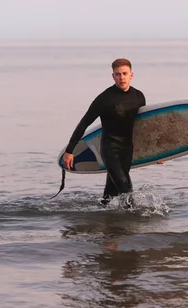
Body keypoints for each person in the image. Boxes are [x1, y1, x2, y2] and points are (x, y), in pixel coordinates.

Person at [62, 58, 146, 206]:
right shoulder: (104, 99)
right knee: (125, 186)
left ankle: (105, 220)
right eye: (118, 74)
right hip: (110, 147)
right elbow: (84, 123)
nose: (121, 77)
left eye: (124, 73)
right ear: (113, 76)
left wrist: (157, 150)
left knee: (111, 193)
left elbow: (142, 127)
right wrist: (70, 150)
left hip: (127, 148)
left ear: (131, 75)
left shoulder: (139, 97)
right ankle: (132, 223)